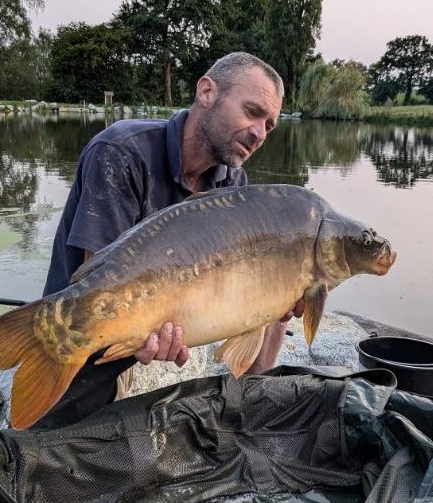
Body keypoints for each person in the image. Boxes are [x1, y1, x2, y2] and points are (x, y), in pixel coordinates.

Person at [35, 52, 303, 429]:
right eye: (252, 111)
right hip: (88, 336)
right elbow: (101, 293)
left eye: (269, 125)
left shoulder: (233, 185)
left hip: (175, 318)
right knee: (62, 447)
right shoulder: (121, 151)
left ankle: (254, 409)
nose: (259, 133)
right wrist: (150, 328)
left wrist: (272, 296)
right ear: (207, 92)